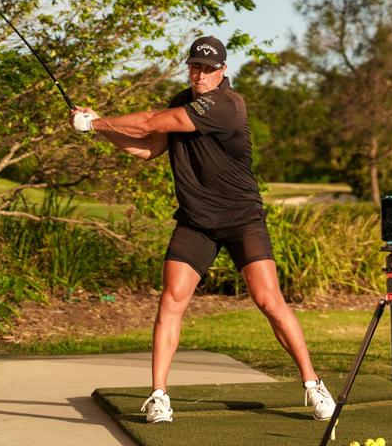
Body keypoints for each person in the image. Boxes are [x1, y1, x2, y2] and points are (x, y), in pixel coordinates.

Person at [72, 36, 334, 424]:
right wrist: (96, 129)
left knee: (268, 301)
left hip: (241, 218)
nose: (200, 74)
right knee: (171, 300)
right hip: (196, 220)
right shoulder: (183, 99)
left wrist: (96, 120)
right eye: (195, 66)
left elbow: (147, 122)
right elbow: (146, 148)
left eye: (209, 69)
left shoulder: (227, 105)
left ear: (223, 71)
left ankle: (313, 385)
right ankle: (159, 395)